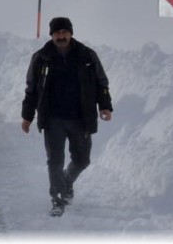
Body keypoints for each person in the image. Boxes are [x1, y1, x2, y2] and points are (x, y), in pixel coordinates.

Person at [20, 16, 114, 215]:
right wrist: (27, 116)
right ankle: (57, 198)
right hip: (53, 119)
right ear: (51, 35)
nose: (61, 36)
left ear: (71, 33)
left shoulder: (87, 56)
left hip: (81, 118)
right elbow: (32, 90)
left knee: (82, 160)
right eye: (57, 33)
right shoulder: (41, 58)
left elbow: (101, 83)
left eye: (64, 32)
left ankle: (66, 180)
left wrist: (105, 106)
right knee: (55, 161)